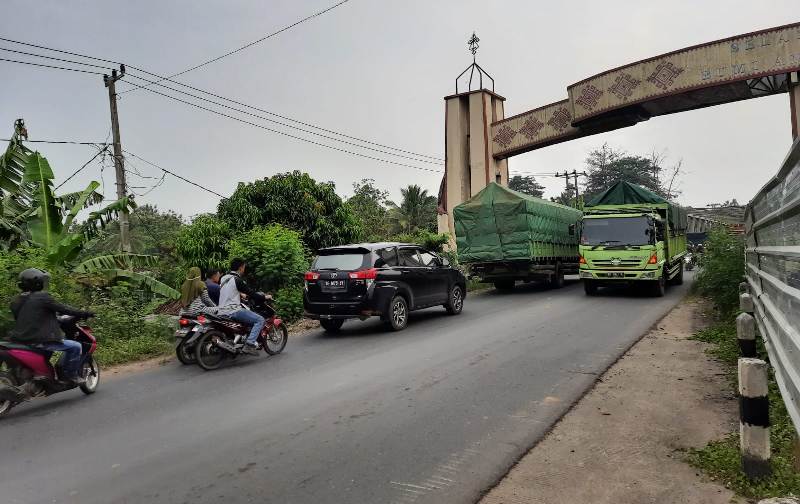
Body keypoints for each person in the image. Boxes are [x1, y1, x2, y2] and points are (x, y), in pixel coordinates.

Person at [8, 268, 93, 385]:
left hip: (21, 340)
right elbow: (65, 309)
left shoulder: (16, 301)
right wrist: (85, 313)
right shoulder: (42, 297)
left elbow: (30, 317)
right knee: (76, 346)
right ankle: (71, 376)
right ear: (38, 283)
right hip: (40, 340)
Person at [218, 258, 265, 355]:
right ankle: (249, 344)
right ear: (240, 268)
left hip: (221, 310)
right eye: (244, 267)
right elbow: (251, 293)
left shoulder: (223, 278)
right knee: (260, 320)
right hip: (233, 311)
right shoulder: (237, 280)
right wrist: (264, 296)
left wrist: (240, 294)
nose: (244, 269)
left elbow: (229, 291)